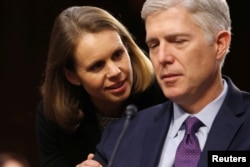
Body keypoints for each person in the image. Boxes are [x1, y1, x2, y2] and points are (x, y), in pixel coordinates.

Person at [79, 0, 250, 167]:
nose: (162, 58)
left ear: (219, 44)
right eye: (154, 45)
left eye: (178, 41)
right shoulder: (121, 135)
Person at [36, 5, 166, 167]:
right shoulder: (54, 116)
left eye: (118, 54)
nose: (115, 72)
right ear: (72, 76)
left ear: (127, 47)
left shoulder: (163, 92)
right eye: (97, 66)